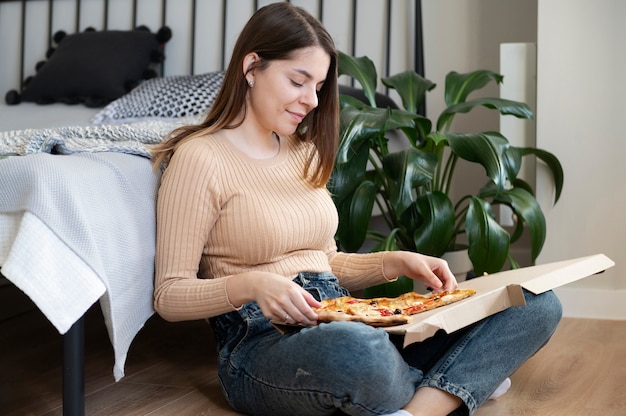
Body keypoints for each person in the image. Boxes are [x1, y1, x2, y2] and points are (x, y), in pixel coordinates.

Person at [151, 3, 562, 416]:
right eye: (298, 81)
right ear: (252, 67)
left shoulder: (302, 151)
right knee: (357, 350)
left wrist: (396, 261)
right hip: (264, 345)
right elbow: (169, 295)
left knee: (535, 302)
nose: (311, 100)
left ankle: (416, 405)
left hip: (351, 317)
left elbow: (326, 262)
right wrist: (253, 285)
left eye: (318, 87)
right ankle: (457, 383)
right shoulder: (199, 157)